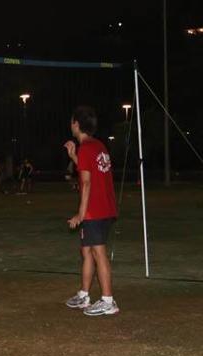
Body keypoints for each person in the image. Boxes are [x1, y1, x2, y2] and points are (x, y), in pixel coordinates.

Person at [63, 106, 119, 316]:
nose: (71, 125)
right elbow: (90, 171)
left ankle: (108, 300)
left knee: (98, 252)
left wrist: (81, 214)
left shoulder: (87, 148)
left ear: (77, 124)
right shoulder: (97, 146)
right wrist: (73, 156)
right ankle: (84, 295)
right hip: (104, 207)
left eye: (72, 121)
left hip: (95, 210)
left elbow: (86, 183)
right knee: (86, 251)